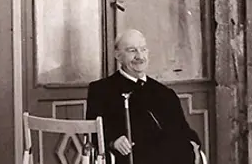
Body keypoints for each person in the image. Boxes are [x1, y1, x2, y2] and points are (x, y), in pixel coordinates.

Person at [86, 29, 201, 164]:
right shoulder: (101, 90)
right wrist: (113, 142)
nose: (139, 56)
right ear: (118, 55)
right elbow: (93, 133)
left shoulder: (165, 93)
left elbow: (184, 131)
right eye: (132, 50)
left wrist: (193, 144)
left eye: (143, 49)